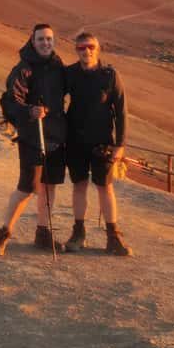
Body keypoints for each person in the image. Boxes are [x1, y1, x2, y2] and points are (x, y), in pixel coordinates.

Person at [0, 24, 68, 256]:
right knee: (27, 188)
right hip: (33, 137)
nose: (46, 43)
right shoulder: (23, 69)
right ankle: (4, 233)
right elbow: (12, 100)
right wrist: (30, 111)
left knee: (49, 185)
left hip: (55, 135)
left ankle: (43, 234)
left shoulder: (57, 65)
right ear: (32, 41)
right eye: (41, 39)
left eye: (49, 39)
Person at [64, 32, 133, 256]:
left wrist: (120, 145)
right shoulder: (70, 74)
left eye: (90, 47)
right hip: (75, 141)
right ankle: (78, 232)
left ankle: (113, 237)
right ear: (76, 50)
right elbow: (53, 96)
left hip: (103, 143)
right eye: (82, 47)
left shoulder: (110, 76)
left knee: (105, 187)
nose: (87, 51)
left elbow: (121, 112)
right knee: (79, 186)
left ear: (98, 48)